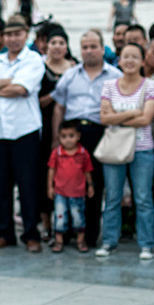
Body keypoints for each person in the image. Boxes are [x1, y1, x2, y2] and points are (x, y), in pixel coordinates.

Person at [0, 14, 45, 252]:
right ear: (3, 37)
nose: (13, 39)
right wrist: (7, 82)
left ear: (26, 35)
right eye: (9, 34)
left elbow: (20, 89)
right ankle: (5, 233)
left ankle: (31, 234)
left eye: (18, 34)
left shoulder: (34, 59)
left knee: (28, 185)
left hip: (24, 131)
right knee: (0, 185)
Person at [51, 29, 121, 249]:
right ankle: (69, 232)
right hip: (73, 136)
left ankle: (90, 235)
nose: (89, 51)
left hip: (101, 133)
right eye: (85, 47)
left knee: (94, 185)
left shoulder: (114, 75)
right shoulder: (70, 75)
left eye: (93, 46)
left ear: (102, 48)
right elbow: (59, 107)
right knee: (69, 185)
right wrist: (56, 139)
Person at [96, 42, 154, 260]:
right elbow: (104, 118)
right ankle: (109, 242)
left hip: (142, 149)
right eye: (126, 57)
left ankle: (146, 244)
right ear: (119, 61)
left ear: (142, 61)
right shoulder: (109, 85)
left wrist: (117, 116)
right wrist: (133, 112)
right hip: (115, 149)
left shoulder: (150, 86)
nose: (130, 61)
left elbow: (146, 119)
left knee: (143, 198)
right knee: (112, 197)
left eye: (135, 57)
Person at [36, 25, 75, 242]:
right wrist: (55, 93)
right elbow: (37, 101)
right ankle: (47, 225)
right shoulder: (39, 67)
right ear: (46, 46)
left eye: (61, 42)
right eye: (53, 43)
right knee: (45, 176)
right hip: (45, 130)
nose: (57, 47)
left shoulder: (75, 67)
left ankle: (69, 225)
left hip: (70, 129)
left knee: (70, 177)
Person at [47, 120, 94, 252]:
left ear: (78, 136)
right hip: (60, 193)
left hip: (78, 193)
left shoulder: (83, 153)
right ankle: (59, 241)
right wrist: (50, 187)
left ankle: (80, 241)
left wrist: (90, 186)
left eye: (71, 136)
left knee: (78, 218)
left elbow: (87, 171)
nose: (67, 140)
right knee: (60, 217)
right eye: (64, 136)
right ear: (59, 137)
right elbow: (51, 170)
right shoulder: (57, 153)